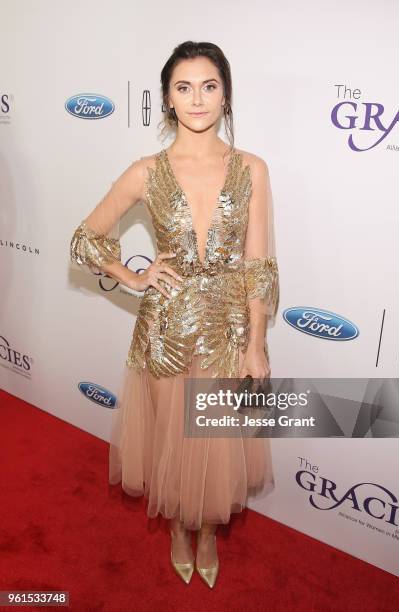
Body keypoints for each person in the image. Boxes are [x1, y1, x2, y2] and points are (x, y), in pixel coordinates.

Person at [69, 41, 279, 589]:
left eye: (209, 86)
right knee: (174, 440)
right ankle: (178, 531)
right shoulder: (146, 171)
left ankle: (207, 531)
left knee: (216, 441)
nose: (197, 99)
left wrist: (257, 341)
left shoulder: (252, 169)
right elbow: (85, 238)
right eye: (183, 87)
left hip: (230, 332)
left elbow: (258, 264)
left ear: (225, 93)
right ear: (166, 99)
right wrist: (135, 276)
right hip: (165, 335)